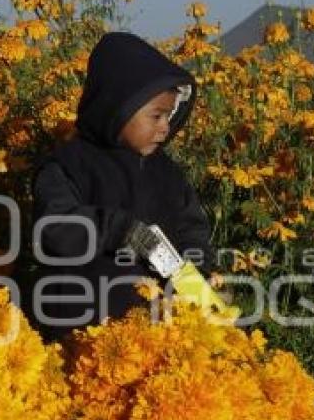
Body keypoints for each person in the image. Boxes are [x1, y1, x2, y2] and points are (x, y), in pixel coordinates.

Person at [31, 31, 214, 342]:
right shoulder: (69, 165)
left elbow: (191, 228)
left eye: (169, 116)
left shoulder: (168, 173)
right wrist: (119, 230)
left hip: (158, 330)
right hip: (83, 328)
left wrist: (198, 271)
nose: (166, 127)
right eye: (156, 116)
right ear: (116, 108)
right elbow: (55, 227)